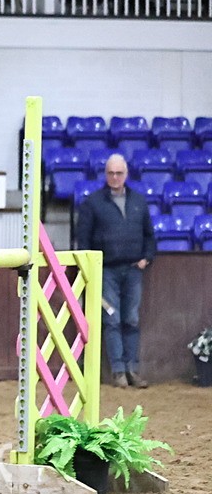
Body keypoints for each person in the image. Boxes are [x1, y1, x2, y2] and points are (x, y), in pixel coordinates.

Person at [75, 153, 156, 388]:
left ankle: (132, 369)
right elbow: (83, 239)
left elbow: (149, 236)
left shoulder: (139, 202)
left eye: (119, 173)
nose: (115, 177)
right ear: (105, 174)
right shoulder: (92, 203)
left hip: (133, 270)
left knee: (130, 319)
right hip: (105, 271)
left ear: (126, 174)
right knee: (112, 320)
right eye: (111, 173)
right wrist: (91, 268)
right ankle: (119, 371)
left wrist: (146, 258)